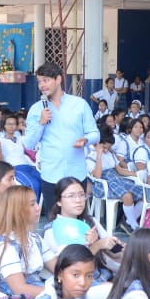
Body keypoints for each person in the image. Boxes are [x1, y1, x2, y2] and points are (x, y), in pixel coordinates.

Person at [24, 62, 100, 218]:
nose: (41, 85)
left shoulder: (79, 104)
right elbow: (29, 144)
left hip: (76, 173)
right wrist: (41, 123)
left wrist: (85, 140)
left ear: (58, 79)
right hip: (51, 174)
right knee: (54, 221)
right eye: (39, 81)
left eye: (45, 80)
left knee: (78, 219)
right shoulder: (36, 109)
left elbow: (95, 133)